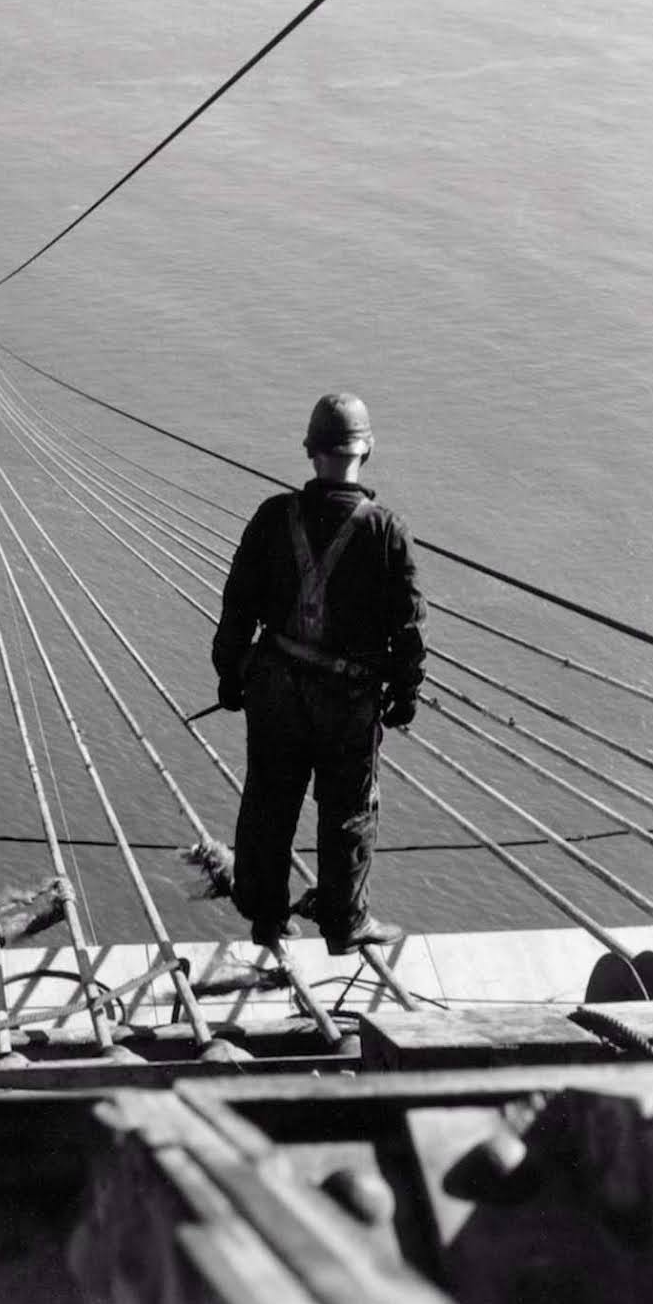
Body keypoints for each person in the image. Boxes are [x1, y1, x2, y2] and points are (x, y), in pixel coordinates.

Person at [211, 393, 425, 953]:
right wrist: (405, 692)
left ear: (310, 452)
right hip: (347, 702)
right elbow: (408, 629)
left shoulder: (271, 517)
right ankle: (345, 923)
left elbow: (237, 605)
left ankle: (266, 917)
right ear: (367, 451)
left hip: (276, 689)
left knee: (267, 802)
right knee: (348, 812)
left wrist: (229, 675)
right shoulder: (386, 531)